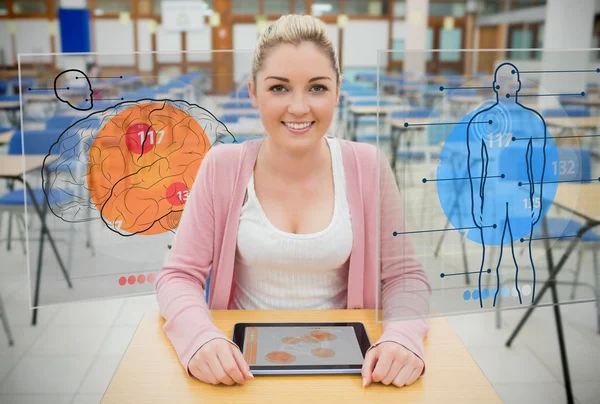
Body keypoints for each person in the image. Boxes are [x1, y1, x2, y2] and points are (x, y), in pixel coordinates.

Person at [156, 14, 430, 388]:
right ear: (253, 91)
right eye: (279, 88)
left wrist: (403, 336)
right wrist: (199, 337)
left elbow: (405, 277)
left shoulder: (368, 166)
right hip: (240, 371)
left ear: (337, 91)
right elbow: (178, 276)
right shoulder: (223, 167)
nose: (299, 107)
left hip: (347, 372)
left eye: (317, 88)